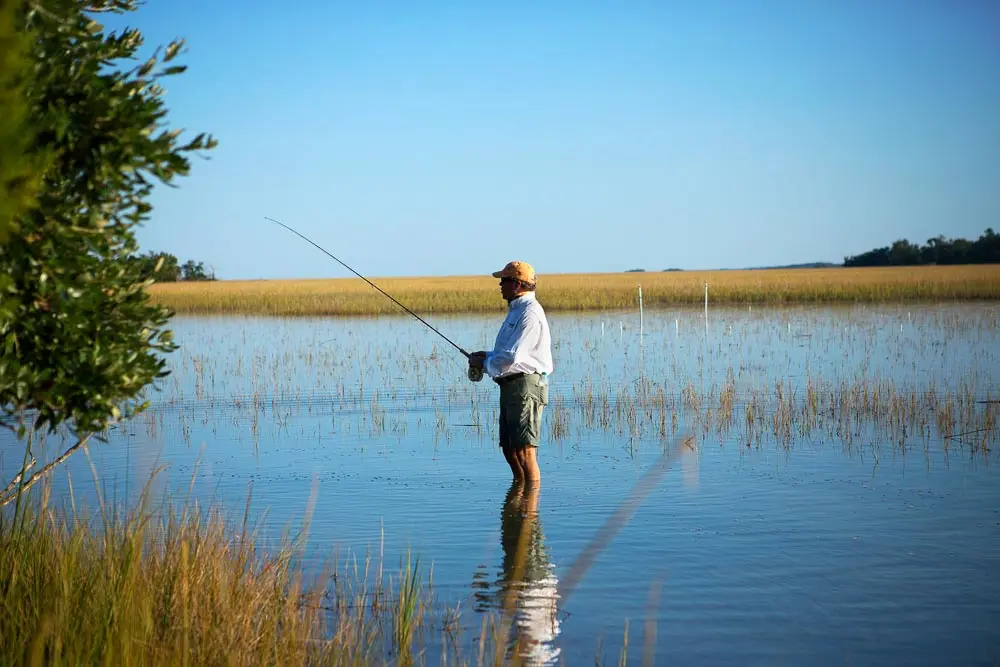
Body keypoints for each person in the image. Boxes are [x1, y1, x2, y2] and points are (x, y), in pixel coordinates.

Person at [468, 261, 553, 482]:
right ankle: (518, 498)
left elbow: (514, 357)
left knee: (525, 451)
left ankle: (530, 509)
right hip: (510, 386)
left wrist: (484, 364)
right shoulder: (517, 311)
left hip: (526, 385)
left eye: (504, 280)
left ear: (516, 284)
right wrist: (485, 356)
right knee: (510, 450)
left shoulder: (530, 313)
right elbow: (508, 352)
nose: (500, 285)